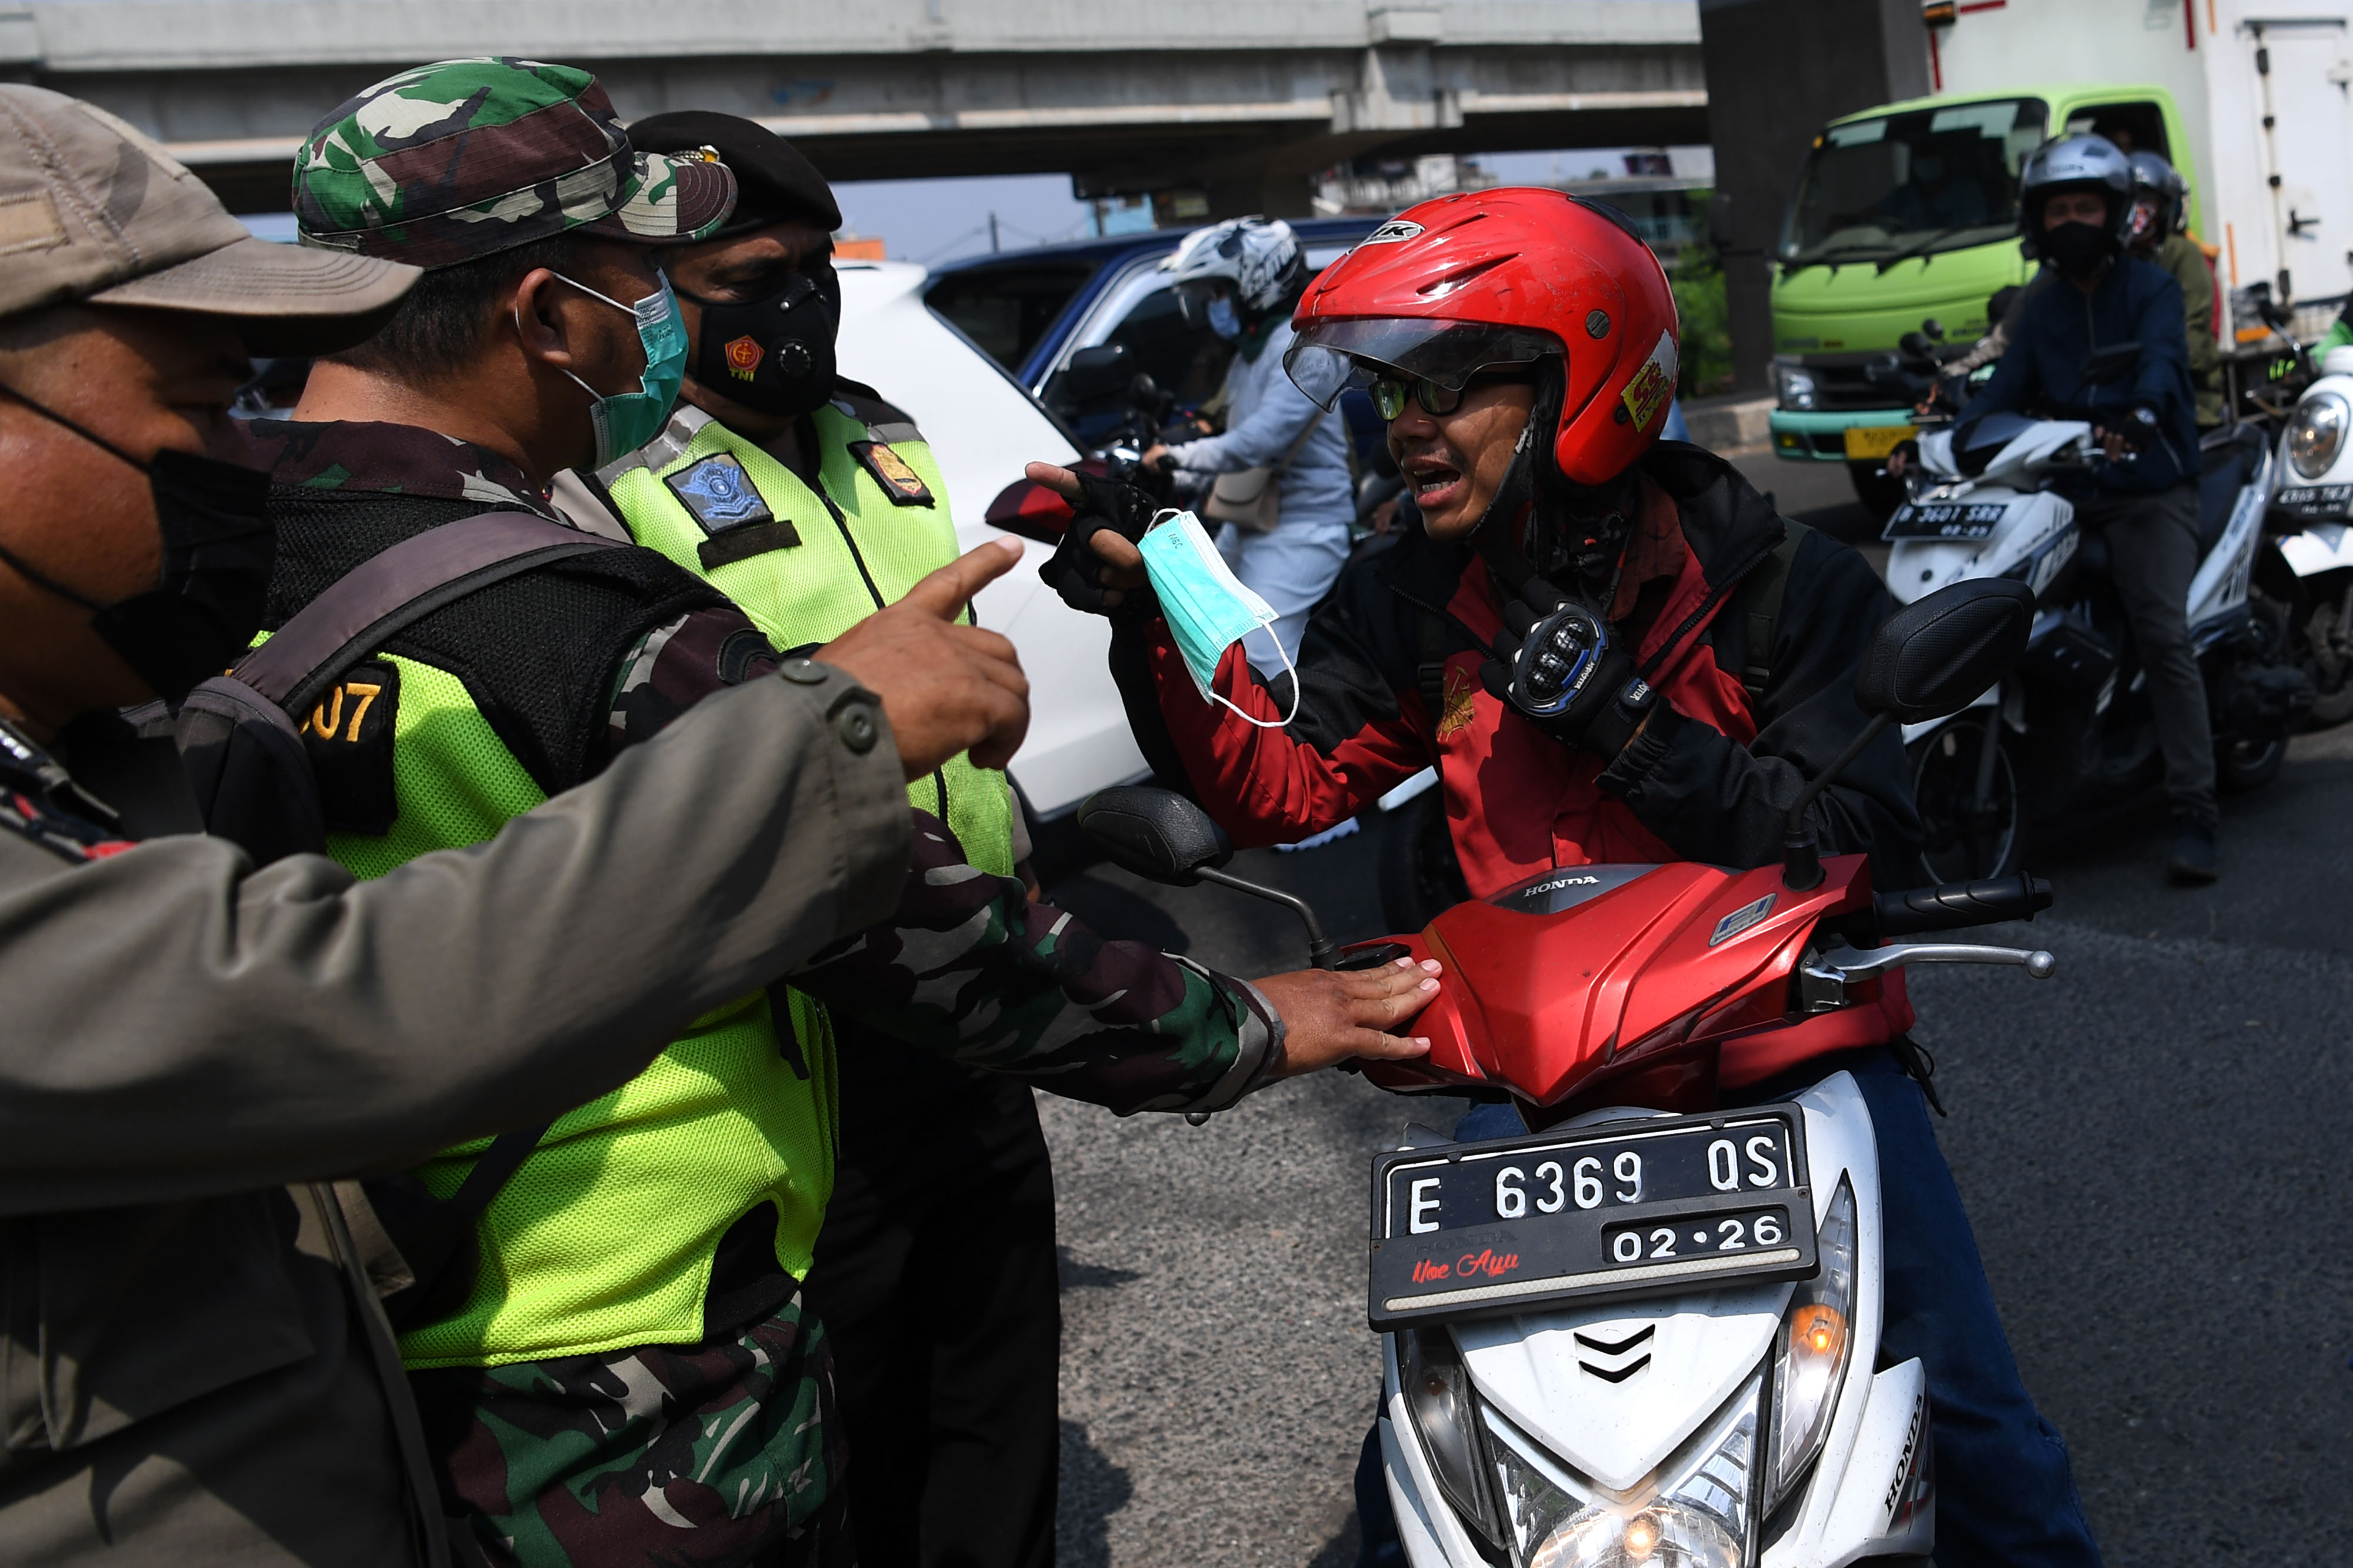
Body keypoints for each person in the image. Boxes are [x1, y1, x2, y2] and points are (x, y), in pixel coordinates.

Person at [272, 62, 1442, 1568]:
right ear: (552, 312)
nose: (680, 318)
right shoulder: (564, 593)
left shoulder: (233, 562)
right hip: (640, 1319)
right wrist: (1250, 1024)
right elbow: (853, 893)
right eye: (649, 283)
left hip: (409, 1297)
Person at [0, 82, 1031, 1568]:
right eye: (204, 399)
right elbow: (344, 1003)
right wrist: (821, 734)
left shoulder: (89, 730)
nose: (250, 455)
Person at [1034, 186, 2106, 1567]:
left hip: (1778, 1051)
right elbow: (1281, 783)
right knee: (1421, 1465)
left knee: (1971, 1423)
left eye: (1443, 387)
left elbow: (1862, 838)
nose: (1403, 426)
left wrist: (1631, 727)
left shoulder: (1780, 581)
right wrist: (1143, 612)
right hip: (1540, 1079)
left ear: (1578, 376)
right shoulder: (1413, 595)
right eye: (1389, 392)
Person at [558, 109, 1052, 1568]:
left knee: (997, 1402)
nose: (796, 305)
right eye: (746, 280)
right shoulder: (611, 478)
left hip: (975, 990)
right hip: (797, 1029)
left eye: (811, 266)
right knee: (851, 1418)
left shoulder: (882, 438)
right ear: (652, 299)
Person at [1961, 135, 2216, 884]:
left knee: (2163, 632)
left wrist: (2138, 413)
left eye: (2086, 206)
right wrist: (1943, 438)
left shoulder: (2153, 289)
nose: (2071, 219)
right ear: (2037, 220)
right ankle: (2046, 772)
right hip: (2068, 493)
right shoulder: (2040, 306)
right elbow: (2001, 391)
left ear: (2114, 214)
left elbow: (2167, 362)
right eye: (2058, 208)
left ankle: (2195, 810)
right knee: (2005, 609)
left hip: (2148, 488)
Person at [1141, 216, 1355, 670]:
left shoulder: (1309, 352)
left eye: (1219, 293)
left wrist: (1179, 457)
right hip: (1252, 520)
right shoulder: (1250, 351)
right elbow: (1232, 437)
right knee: (1207, 646)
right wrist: (1177, 470)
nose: (1215, 306)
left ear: (1258, 281)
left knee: (1259, 665)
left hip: (1303, 531)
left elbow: (1257, 443)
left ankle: (1294, 741)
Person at [2125, 149, 2225, 429]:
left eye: (2148, 201)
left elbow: (2192, 344)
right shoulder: (2113, 260)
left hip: (2189, 405)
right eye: (2131, 200)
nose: (2139, 211)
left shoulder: (2182, 255)